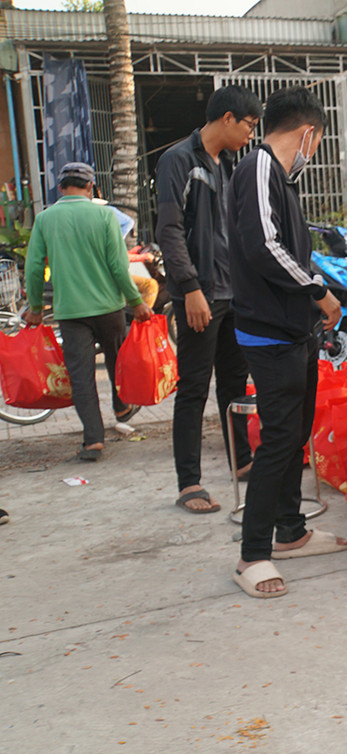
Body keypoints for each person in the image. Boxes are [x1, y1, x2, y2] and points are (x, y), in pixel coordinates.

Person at [228, 87, 347, 599]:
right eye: (317, 143)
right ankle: (253, 554)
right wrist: (318, 290)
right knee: (279, 438)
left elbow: (287, 250)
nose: (313, 152)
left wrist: (315, 291)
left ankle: (290, 531)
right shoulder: (258, 166)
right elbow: (263, 246)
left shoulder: (279, 177)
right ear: (308, 133)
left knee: (294, 433)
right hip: (268, 331)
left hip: (292, 329)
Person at [157, 85, 262, 514]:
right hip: (200, 294)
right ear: (227, 118)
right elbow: (169, 230)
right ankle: (189, 483)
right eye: (249, 125)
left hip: (233, 293)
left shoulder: (229, 165)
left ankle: (242, 461)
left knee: (234, 384)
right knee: (194, 387)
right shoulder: (179, 160)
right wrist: (190, 288)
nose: (251, 135)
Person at [24, 162, 153, 461]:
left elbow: (33, 268)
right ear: (91, 187)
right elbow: (118, 266)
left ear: (60, 188)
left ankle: (93, 440)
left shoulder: (45, 219)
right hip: (109, 308)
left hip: (70, 312)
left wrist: (35, 308)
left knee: (81, 376)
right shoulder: (105, 216)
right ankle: (121, 406)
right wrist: (136, 302)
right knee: (116, 358)